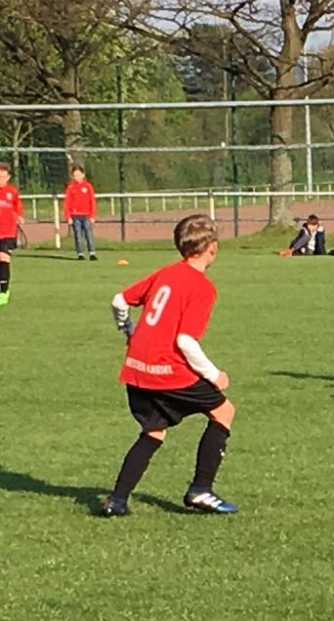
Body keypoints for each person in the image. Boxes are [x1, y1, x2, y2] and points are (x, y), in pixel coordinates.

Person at [101, 214, 237, 517]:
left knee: (154, 431)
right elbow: (186, 341)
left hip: (136, 368)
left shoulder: (165, 273)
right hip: (167, 370)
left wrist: (128, 329)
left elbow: (119, 301)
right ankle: (201, 489)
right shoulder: (202, 287)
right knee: (223, 411)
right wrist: (214, 374)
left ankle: (117, 500)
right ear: (212, 247)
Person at [0, 163, 24, 307]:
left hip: (8, 231)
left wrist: (19, 216)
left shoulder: (12, 191)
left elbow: (18, 205)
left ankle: (4, 292)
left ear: (8, 177)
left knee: (3, 258)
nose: (0, 179)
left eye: (3, 177)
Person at [64, 163, 98, 261]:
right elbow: (67, 203)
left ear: (83, 175)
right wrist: (68, 217)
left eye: (78, 175)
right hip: (75, 216)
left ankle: (92, 253)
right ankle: (80, 253)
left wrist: (93, 215)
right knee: (78, 235)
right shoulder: (71, 188)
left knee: (89, 234)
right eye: (75, 175)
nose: (77, 177)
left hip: (86, 215)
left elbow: (92, 201)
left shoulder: (88, 187)